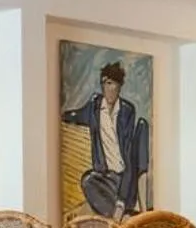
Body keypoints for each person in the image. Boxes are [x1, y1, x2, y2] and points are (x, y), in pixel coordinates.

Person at [61, 59, 145, 218]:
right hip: (105, 178)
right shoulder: (94, 106)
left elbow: (128, 157)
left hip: (124, 179)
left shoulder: (127, 111)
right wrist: (59, 115)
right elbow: (77, 115)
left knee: (120, 199)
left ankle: (122, 209)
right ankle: (123, 215)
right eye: (104, 83)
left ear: (119, 86)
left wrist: (121, 199)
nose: (108, 88)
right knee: (88, 180)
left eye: (111, 83)